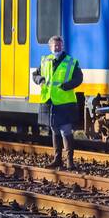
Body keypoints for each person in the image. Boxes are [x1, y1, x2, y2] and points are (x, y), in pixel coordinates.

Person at [32, 35, 83, 169]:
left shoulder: (71, 62)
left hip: (65, 103)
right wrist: (40, 80)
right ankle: (57, 159)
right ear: (50, 47)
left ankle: (69, 161)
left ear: (63, 46)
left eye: (59, 45)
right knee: (54, 131)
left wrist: (67, 86)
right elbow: (35, 75)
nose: (57, 47)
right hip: (50, 102)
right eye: (55, 46)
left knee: (66, 131)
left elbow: (79, 78)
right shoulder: (45, 61)